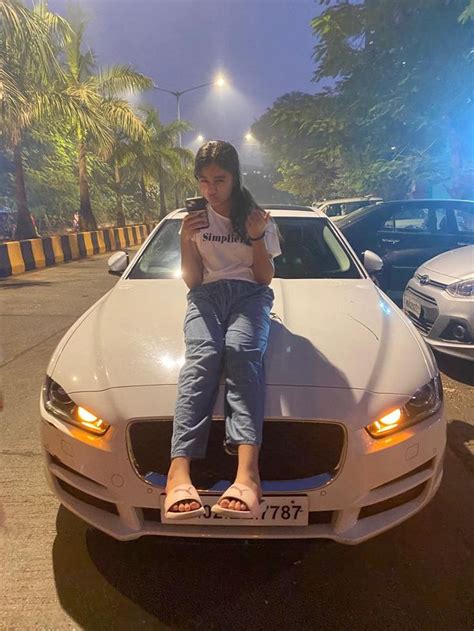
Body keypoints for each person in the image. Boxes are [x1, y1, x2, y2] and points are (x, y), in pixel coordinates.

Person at [164, 140, 281, 520]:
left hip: (250, 296)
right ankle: (178, 473)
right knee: (203, 356)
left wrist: (258, 236)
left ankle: (247, 475)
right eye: (203, 181)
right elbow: (193, 282)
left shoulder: (257, 218)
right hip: (206, 297)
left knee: (241, 353)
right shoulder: (194, 221)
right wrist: (185, 240)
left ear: (235, 178)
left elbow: (264, 279)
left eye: (219, 179)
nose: (211, 190)